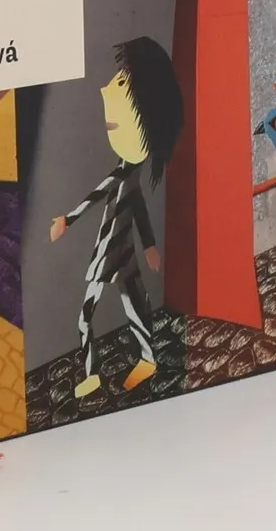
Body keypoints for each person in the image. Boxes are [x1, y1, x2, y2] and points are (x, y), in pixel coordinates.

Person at [48, 34, 184, 400]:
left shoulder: (125, 173)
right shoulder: (129, 173)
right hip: (120, 248)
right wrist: (149, 245)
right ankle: (144, 360)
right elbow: (136, 206)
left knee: (86, 314)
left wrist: (68, 220)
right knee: (134, 301)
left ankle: (93, 374)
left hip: (111, 249)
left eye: (123, 84)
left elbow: (100, 193)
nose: (107, 90)